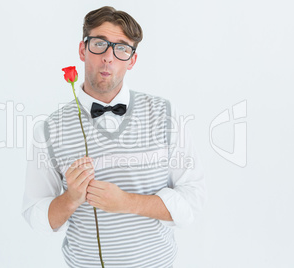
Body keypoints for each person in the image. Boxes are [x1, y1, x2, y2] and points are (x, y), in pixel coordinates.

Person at [22, 6, 206, 268]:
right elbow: (35, 215)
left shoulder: (165, 113)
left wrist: (127, 202)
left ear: (132, 60)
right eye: (99, 44)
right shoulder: (49, 128)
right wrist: (70, 198)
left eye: (121, 48)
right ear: (82, 50)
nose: (108, 57)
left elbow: (193, 198)